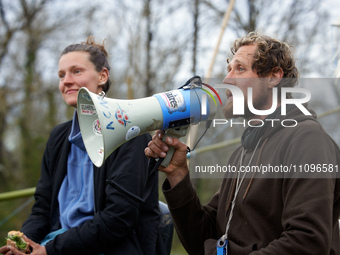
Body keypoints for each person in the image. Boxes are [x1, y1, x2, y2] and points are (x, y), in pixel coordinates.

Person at [145, 31, 340, 254]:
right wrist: (177, 175)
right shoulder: (242, 153)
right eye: (229, 69)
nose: (227, 80)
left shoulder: (308, 141)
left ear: (274, 77)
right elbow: (205, 237)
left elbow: (307, 243)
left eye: (240, 69)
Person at [0, 37, 166, 255]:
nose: (66, 81)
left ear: (102, 76)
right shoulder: (58, 137)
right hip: (56, 243)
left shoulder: (131, 134)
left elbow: (117, 219)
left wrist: (50, 251)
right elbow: (42, 207)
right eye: (61, 75)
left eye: (76, 71)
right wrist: (25, 242)